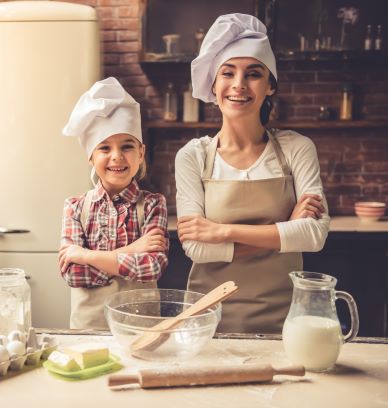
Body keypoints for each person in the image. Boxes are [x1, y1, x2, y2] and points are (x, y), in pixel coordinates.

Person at [175, 14, 330, 334]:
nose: (239, 84)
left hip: (285, 316)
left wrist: (222, 231)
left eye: (254, 74)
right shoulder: (193, 156)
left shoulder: (297, 148)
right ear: (214, 85)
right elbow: (197, 249)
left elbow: (314, 235)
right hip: (208, 318)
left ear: (270, 85)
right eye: (228, 73)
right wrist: (286, 229)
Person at [59, 77, 169, 330]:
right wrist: (133, 250)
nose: (116, 157)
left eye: (127, 146)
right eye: (104, 148)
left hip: (141, 329)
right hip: (89, 331)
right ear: (90, 157)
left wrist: (87, 255)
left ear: (141, 153)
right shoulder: (75, 206)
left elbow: (152, 267)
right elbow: (74, 274)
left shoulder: (154, 204)